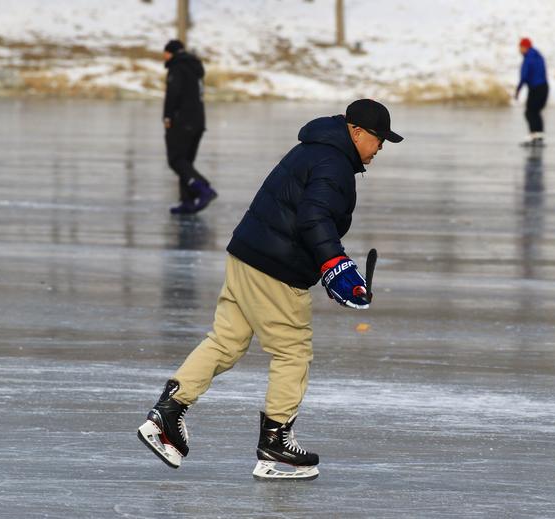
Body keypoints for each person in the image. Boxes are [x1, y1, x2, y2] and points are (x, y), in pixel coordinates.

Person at [137, 99, 403, 480]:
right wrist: (335, 264)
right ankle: (275, 442)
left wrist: (333, 266)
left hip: (246, 254)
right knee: (293, 350)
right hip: (277, 268)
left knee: (226, 341)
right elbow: (315, 217)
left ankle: (167, 413)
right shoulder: (335, 164)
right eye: (379, 139)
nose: (380, 148)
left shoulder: (314, 148)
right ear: (357, 132)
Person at [162, 39, 217, 214]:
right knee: (186, 162)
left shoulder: (177, 67)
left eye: (165, 53)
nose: (164, 57)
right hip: (198, 121)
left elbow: (173, 94)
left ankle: (203, 188)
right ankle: (188, 201)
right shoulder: (194, 68)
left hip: (183, 121)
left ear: (171, 53)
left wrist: (167, 116)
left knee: (176, 160)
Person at [515, 37, 549, 147]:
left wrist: (518, 90)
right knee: (535, 112)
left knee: (530, 112)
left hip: (535, 88)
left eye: (521, 47)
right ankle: (539, 136)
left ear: (525, 47)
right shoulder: (539, 56)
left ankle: (533, 136)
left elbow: (524, 76)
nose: (519, 50)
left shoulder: (528, 59)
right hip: (544, 87)